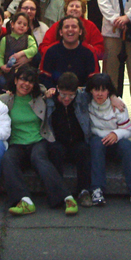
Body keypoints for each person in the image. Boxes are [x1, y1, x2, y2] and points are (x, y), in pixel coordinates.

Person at [0, 66, 78, 216]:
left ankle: (66, 197)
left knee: (38, 157)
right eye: (22, 79)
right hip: (16, 143)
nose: (26, 84)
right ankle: (24, 200)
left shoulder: (41, 97)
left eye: (30, 81)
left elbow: (71, 92)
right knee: (8, 159)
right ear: (15, 80)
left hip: (38, 140)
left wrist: (113, 97)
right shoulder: (4, 100)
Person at [86, 73, 131, 208]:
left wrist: (115, 134)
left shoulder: (118, 105)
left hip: (115, 144)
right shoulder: (87, 103)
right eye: (96, 90)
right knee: (96, 143)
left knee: (127, 146)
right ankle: (97, 190)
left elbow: (128, 130)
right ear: (91, 91)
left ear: (108, 91)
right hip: (98, 144)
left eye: (103, 90)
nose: (100, 94)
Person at [44, 72, 94, 208]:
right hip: (58, 141)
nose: (67, 99)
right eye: (63, 94)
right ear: (57, 90)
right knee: (55, 150)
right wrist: (47, 93)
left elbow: (97, 87)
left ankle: (84, 191)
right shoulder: (50, 101)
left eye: (71, 95)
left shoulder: (81, 98)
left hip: (77, 142)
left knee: (84, 150)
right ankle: (58, 191)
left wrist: (113, 97)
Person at [38, 0, 105, 61]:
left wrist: (85, 52)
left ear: (82, 11)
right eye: (71, 6)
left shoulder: (90, 26)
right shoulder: (57, 26)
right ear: (66, 10)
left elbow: (100, 51)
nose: (74, 8)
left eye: (77, 6)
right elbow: (44, 48)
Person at [40, 16, 99, 89]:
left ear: (80, 31)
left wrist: (80, 90)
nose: (70, 30)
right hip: (55, 93)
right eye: (66, 27)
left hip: (82, 94)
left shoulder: (89, 51)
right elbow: (44, 78)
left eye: (74, 27)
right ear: (61, 32)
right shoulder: (50, 51)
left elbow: (94, 79)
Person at [0, 12, 38, 92]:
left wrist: (21, 54)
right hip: (8, 73)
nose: (22, 26)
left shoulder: (29, 38)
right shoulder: (5, 39)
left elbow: (34, 49)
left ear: (27, 28)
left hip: (24, 74)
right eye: (19, 23)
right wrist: (2, 66)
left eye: (25, 24)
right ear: (12, 24)